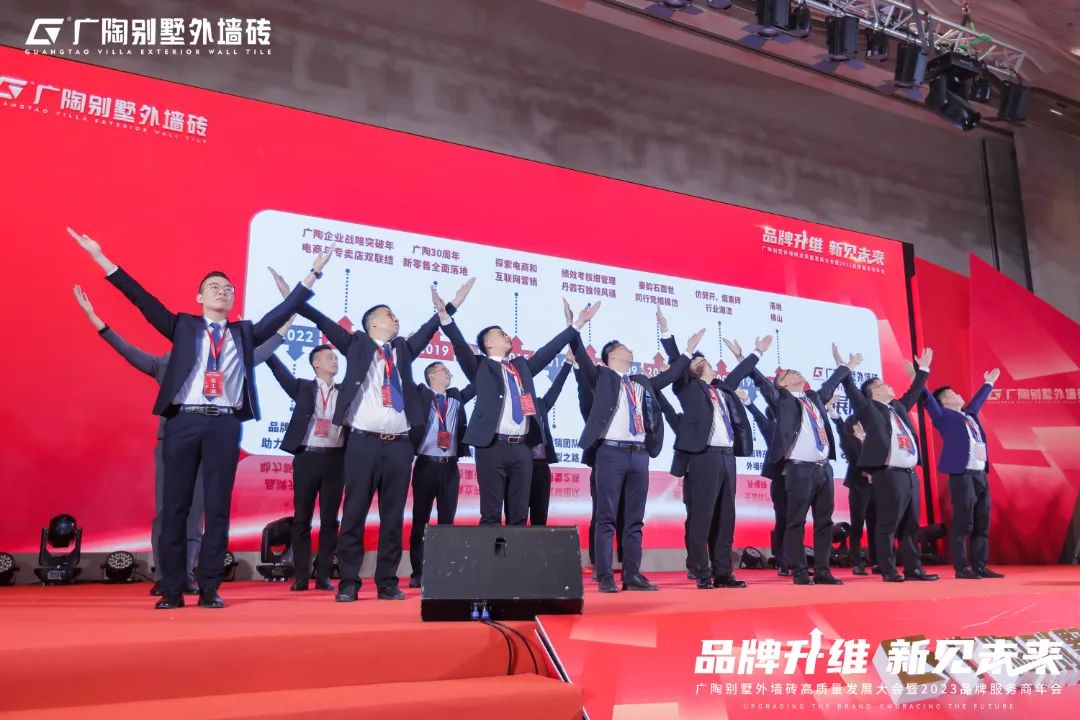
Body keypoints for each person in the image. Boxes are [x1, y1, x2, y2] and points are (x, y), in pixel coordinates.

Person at [69, 228, 332, 610]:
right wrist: (100, 257)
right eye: (214, 287)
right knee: (175, 508)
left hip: (224, 424)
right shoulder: (183, 326)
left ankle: (209, 587)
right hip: (184, 422)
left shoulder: (244, 333)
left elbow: (282, 313)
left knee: (217, 508)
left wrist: (313, 273)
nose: (222, 292)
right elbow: (142, 300)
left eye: (228, 288)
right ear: (200, 297)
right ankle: (172, 587)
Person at [75, 283, 287, 596]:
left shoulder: (226, 354)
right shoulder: (163, 363)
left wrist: (287, 319)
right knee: (169, 511)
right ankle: (166, 575)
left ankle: (186, 574)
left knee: (197, 511)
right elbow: (128, 351)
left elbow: (262, 351)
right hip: (174, 442)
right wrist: (96, 320)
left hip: (213, 437)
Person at [297, 279, 475, 602]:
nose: (396, 318)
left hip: (400, 446)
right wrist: (299, 292)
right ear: (373, 323)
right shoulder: (357, 344)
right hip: (363, 443)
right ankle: (348, 581)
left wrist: (451, 305)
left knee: (393, 516)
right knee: (354, 512)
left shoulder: (403, 350)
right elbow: (322, 321)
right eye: (389, 314)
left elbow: (430, 328)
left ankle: (387, 581)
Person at [440, 296, 598, 527]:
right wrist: (446, 317)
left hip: (523, 448)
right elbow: (460, 345)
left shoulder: (521, 367)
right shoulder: (480, 366)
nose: (507, 336)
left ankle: (516, 551)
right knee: (491, 514)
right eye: (500, 333)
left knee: (519, 515)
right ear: (488, 344)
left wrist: (576, 325)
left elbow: (548, 351)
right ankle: (492, 552)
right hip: (491, 446)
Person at [572, 318, 703, 594]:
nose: (630, 350)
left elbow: (669, 377)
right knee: (606, 517)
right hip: (610, 452)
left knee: (634, 519)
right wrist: (577, 326)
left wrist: (687, 351)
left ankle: (632, 574)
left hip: (639, 454)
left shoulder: (641, 382)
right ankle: (605, 575)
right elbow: (581, 356)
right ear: (611, 356)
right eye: (624, 347)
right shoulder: (601, 376)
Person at [660, 315, 771, 590]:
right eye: (698, 362)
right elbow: (677, 364)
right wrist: (670, 335)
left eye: (705, 360)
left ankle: (724, 573)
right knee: (702, 516)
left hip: (727, 457)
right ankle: (701, 572)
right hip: (703, 456)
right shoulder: (687, 387)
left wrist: (757, 352)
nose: (705, 363)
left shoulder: (722, 389)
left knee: (725, 517)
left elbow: (739, 373)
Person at [748, 343, 861, 586]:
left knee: (825, 522)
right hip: (799, 469)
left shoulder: (813, 398)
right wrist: (746, 355)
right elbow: (763, 384)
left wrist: (848, 365)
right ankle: (799, 571)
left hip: (823, 468)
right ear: (782, 384)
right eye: (790, 373)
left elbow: (830, 385)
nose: (797, 372)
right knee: (796, 520)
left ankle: (822, 570)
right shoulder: (782, 399)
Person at [842, 349, 937, 583]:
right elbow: (852, 390)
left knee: (911, 525)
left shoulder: (898, 408)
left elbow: (914, 392)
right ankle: (888, 569)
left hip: (910, 474)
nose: (889, 386)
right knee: (888, 523)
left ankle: (914, 568)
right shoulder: (868, 408)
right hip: (888, 474)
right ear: (874, 393)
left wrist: (923, 370)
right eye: (883, 384)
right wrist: (846, 368)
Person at [923, 368, 1005, 580]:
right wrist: (919, 375)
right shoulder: (943, 416)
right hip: (962, 476)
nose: (960, 395)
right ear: (945, 401)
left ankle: (980, 566)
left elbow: (977, 402)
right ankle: (961, 568)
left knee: (982, 524)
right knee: (964, 524)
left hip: (980, 475)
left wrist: (988, 383)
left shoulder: (969, 415)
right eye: (954, 393)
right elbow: (928, 400)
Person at [406, 361, 475, 588]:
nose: (449, 374)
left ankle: (445, 570)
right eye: (444, 371)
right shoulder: (420, 396)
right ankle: (418, 571)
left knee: (447, 521)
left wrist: (474, 358)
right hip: (426, 465)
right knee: (420, 519)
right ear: (432, 376)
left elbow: (477, 383)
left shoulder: (456, 398)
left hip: (450, 467)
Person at [740, 387, 787, 575]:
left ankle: (796, 560)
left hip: (800, 479)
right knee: (783, 519)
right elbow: (759, 417)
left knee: (796, 521)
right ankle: (782, 561)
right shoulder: (771, 428)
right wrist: (748, 401)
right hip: (781, 480)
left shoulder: (798, 430)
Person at [827, 397, 876, 575]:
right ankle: (856, 562)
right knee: (858, 524)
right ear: (855, 425)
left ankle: (877, 561)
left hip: (876, 486)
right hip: (859, 486)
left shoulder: (872, 440)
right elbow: (841, 428)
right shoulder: (850, 440)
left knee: (876, 524)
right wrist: (833, 412)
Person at [527, 355, 575, 526]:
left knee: (540, 516)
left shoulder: (540, 404)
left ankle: (539, 543)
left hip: (541, 467)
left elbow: (556, 389)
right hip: (520, 466)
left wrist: (568, 364)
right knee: (517, 515)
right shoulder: (512, 404)